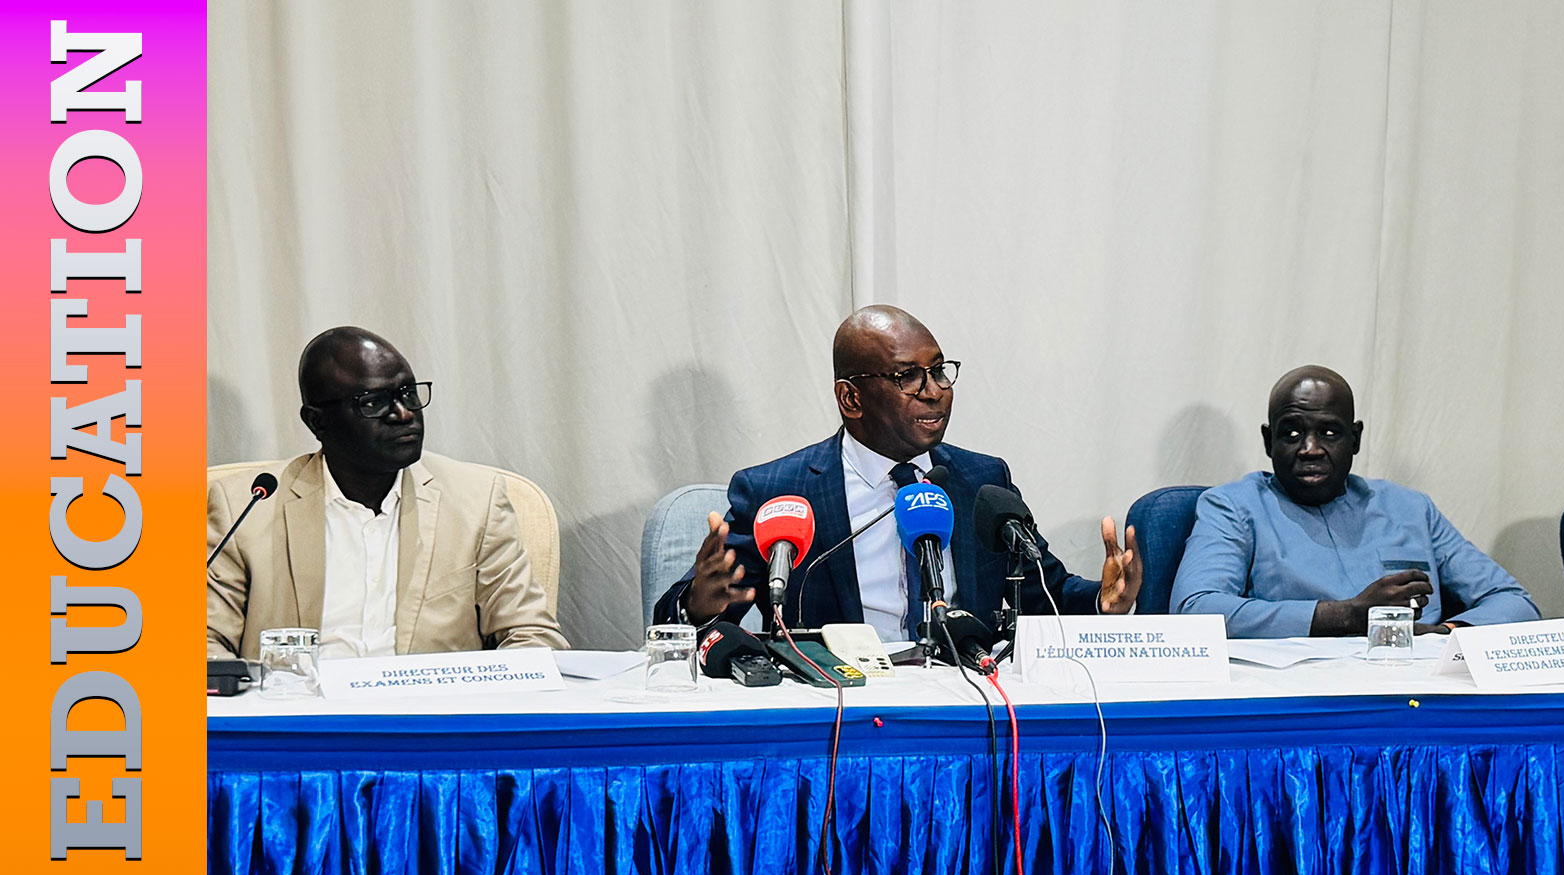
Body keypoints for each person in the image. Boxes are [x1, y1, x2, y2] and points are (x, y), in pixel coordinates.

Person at [655, 305, 1142, 635]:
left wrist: (1103, 601)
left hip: (968, 709)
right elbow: (688, 620)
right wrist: (697, 604)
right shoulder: (780, 492)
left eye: (939, 371)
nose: (934, 391)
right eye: (907, 376)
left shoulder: (983, 481)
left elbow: (1045, 595)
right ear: (851, 398)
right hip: (842, 713)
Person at [207, 327, 567, 659]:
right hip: (298, 704)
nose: (403, 414)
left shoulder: (476, 500)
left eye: (408, 394)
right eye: (374, 402)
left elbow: (531, 633)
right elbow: (202, 640)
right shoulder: (245, 506)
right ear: (317, 422)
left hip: (432, 706)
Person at [1171, 365, 1538, 638]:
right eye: (1292, 433)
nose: (1310, 449)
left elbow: (1514, 602)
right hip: (1308, 698)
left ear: (1355, 438)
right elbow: (1195, 610)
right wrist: (1345, 616)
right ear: (1269, 442)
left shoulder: (1410, 509)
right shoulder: (1233, 507)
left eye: (1329, 432)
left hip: (1417, 689)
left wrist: (1447, 634)